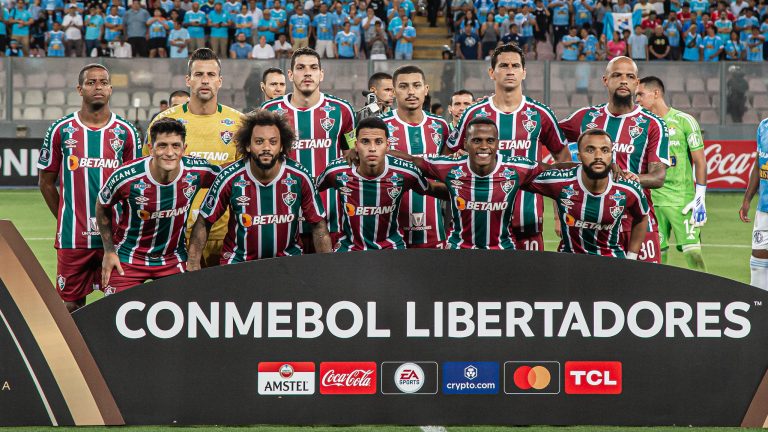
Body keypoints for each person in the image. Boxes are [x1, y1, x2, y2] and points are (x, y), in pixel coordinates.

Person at [37, 64, 142, 312]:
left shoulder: (126, 132)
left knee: (122, 306)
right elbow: (46, 182)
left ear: (110, 89)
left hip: (117, 238)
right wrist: (66, 217)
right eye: (91, 82)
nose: (98, 87)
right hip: (74, 238)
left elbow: (135, 188)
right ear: (80, 89)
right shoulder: (61, 130)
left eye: (103, 82)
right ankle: (74, 353)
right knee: (71, 306)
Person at [447, 44, 571, 251]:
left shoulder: (540, 113)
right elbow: (448, 156)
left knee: (527, 283)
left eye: (515, 65)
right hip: (480, 221)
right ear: (491, 72)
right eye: (503, 65)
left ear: (524, 72)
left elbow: (564, 160)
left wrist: (560, 212)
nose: (510, 70)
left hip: (528, 221)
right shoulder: (473, 114)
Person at [392, 117, 571, 250]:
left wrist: (588, 169)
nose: (484, 146)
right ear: (465, 143)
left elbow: (555, 171)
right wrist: (381, 154)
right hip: (460, 252)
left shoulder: (517, 168)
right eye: (477, 140)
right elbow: (413, 161)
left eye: (490, 141)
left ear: (498, 144)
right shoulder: (450, 167)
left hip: (502, 252)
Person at [560, 56, 669, 263]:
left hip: (637, 224)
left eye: (630, 76)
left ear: (637, 84)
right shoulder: (586, 118)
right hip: (592, 224)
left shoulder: (652, 124)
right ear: (605, 80)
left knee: (645, 292)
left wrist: (626, 178)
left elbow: (658, 177)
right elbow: (547, 133)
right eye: (617, 75)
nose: (623, 80)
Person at [189, 110, 330, 266]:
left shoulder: (300, 176)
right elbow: (203, 221)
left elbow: (318, 224)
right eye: (259, 141)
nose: (266, 147)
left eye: (273, 142)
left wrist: (327, 267)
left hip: (289, 263)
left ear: (282, 146)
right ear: (248, 145)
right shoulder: (229, 177)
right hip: (238, 264)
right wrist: (193, 264)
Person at [145, 48, 244, 268]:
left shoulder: (239, 123)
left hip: (225, 235)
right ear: (188, 80)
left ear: (220, 81)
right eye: (199, 75)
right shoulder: (164, 121)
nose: (205, 80)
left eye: (211, 75)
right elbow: (147, 178)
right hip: (174, 237)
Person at [96, 118, 219, 295]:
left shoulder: (199, 171)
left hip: (173, 258)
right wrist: (109, 251)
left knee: (184, 313)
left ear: (184, 149)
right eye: (162, 146)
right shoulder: (126, 176)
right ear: (151, 147)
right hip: (129, 257)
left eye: (176, 146)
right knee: (116, 315)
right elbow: (102, 205)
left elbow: (228, 181)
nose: (169, 153)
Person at [261, 47, 356, 252]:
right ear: (290, 74)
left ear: (321, 74)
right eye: (300, 67)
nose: (307, 73)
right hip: (284, 216)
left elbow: (352, 156)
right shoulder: (271, 111)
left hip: (332, 217)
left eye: (313, 68)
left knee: (328, 278)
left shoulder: (342, 110)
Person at [317, 117, 447, 251]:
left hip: (392, 248)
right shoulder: (336, 171)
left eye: (378, 142)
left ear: (387, 146)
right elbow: (311, 187)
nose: (372, 148)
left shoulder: (406, 172)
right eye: (365, 142)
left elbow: (430, 188)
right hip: (349, 248)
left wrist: (466, 191)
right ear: (356, 145)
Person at [527, 130, 649, 258]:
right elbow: (523, 176)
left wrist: (632, 255)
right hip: (569, 261)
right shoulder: (561, 182)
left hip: (612, 262)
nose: (598, 156)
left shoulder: (628, 187)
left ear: (611, 155)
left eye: (605, 150)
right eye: (590, 150)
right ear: (579, 156)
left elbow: (642, 216)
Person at [375, 65, 450, 249]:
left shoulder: (441, 126)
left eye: (416, 85)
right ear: (393, 91)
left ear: (426, 89)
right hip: (390, 234)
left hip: (434, 229)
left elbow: (448, 176)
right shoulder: (379, 126)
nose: (410, 92)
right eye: (403, 86)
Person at [636, 76, 707, 270]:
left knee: (694, 253)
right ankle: (656, 297)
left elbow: (700, 161)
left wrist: (700, 197)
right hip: (653, 200)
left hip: (681, 200)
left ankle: (704, 295)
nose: (638, 100)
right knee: (657, 256)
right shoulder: (641, 125)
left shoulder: (685, 121)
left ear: (656, 93)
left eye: (641, 94)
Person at [740, 117, 768, 290]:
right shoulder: (764, 126)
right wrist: (747, 199)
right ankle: (758, 307)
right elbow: (759, 163)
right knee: (758, 261)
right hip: (764, 209)